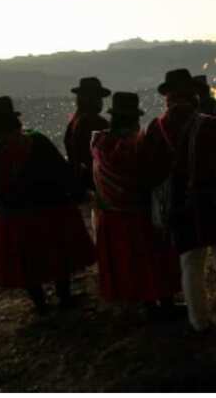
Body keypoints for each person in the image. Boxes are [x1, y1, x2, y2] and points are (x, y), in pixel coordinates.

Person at [0, 96, 96, 313]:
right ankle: (64, 297)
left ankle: (40, 304)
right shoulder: (35, 141)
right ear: (16, 122)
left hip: (6, 214)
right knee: (58, 255)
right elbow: (61, 172)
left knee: (25, 263)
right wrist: (78, 191)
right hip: (48, 208)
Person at [143, 69, 216, 336]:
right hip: (211, 201)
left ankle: (199, 322)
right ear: (192, 95)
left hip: (178, 205)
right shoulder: (212, 126)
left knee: (190, 263)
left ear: (167, 97)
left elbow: (152, 171)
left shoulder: (155, 129)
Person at [89, 92, 183, 317]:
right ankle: (165, 304)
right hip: (139, 215)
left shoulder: (99, 144)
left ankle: (146, 304)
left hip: (111, 216)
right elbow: (151, 175)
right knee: (154, 260)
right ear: (134, 119)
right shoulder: (136, 146)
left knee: (130, 263)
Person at [64, 77, 111, 191]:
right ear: (90, 99)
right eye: (98, 97)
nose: (100, 102)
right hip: (95, 184)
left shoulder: (75, 120)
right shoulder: (95, 122)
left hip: (81, 183)